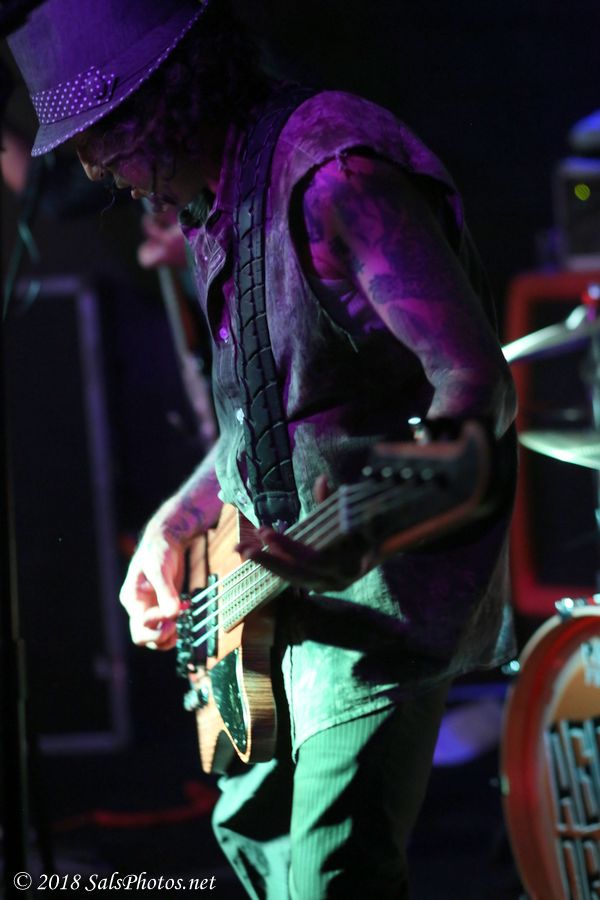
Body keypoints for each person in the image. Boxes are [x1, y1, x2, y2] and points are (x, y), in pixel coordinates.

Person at [8, 0, 518, 896]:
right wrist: (178, 520)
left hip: (378, 602)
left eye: (104, 132)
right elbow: (275, 421)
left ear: (168, 93)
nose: (91, 165)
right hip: (272, 611)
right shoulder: (217, 199)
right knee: (255, 856)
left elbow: (478, 388)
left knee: (327, 878)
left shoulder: (333, 173)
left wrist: (377, 518)